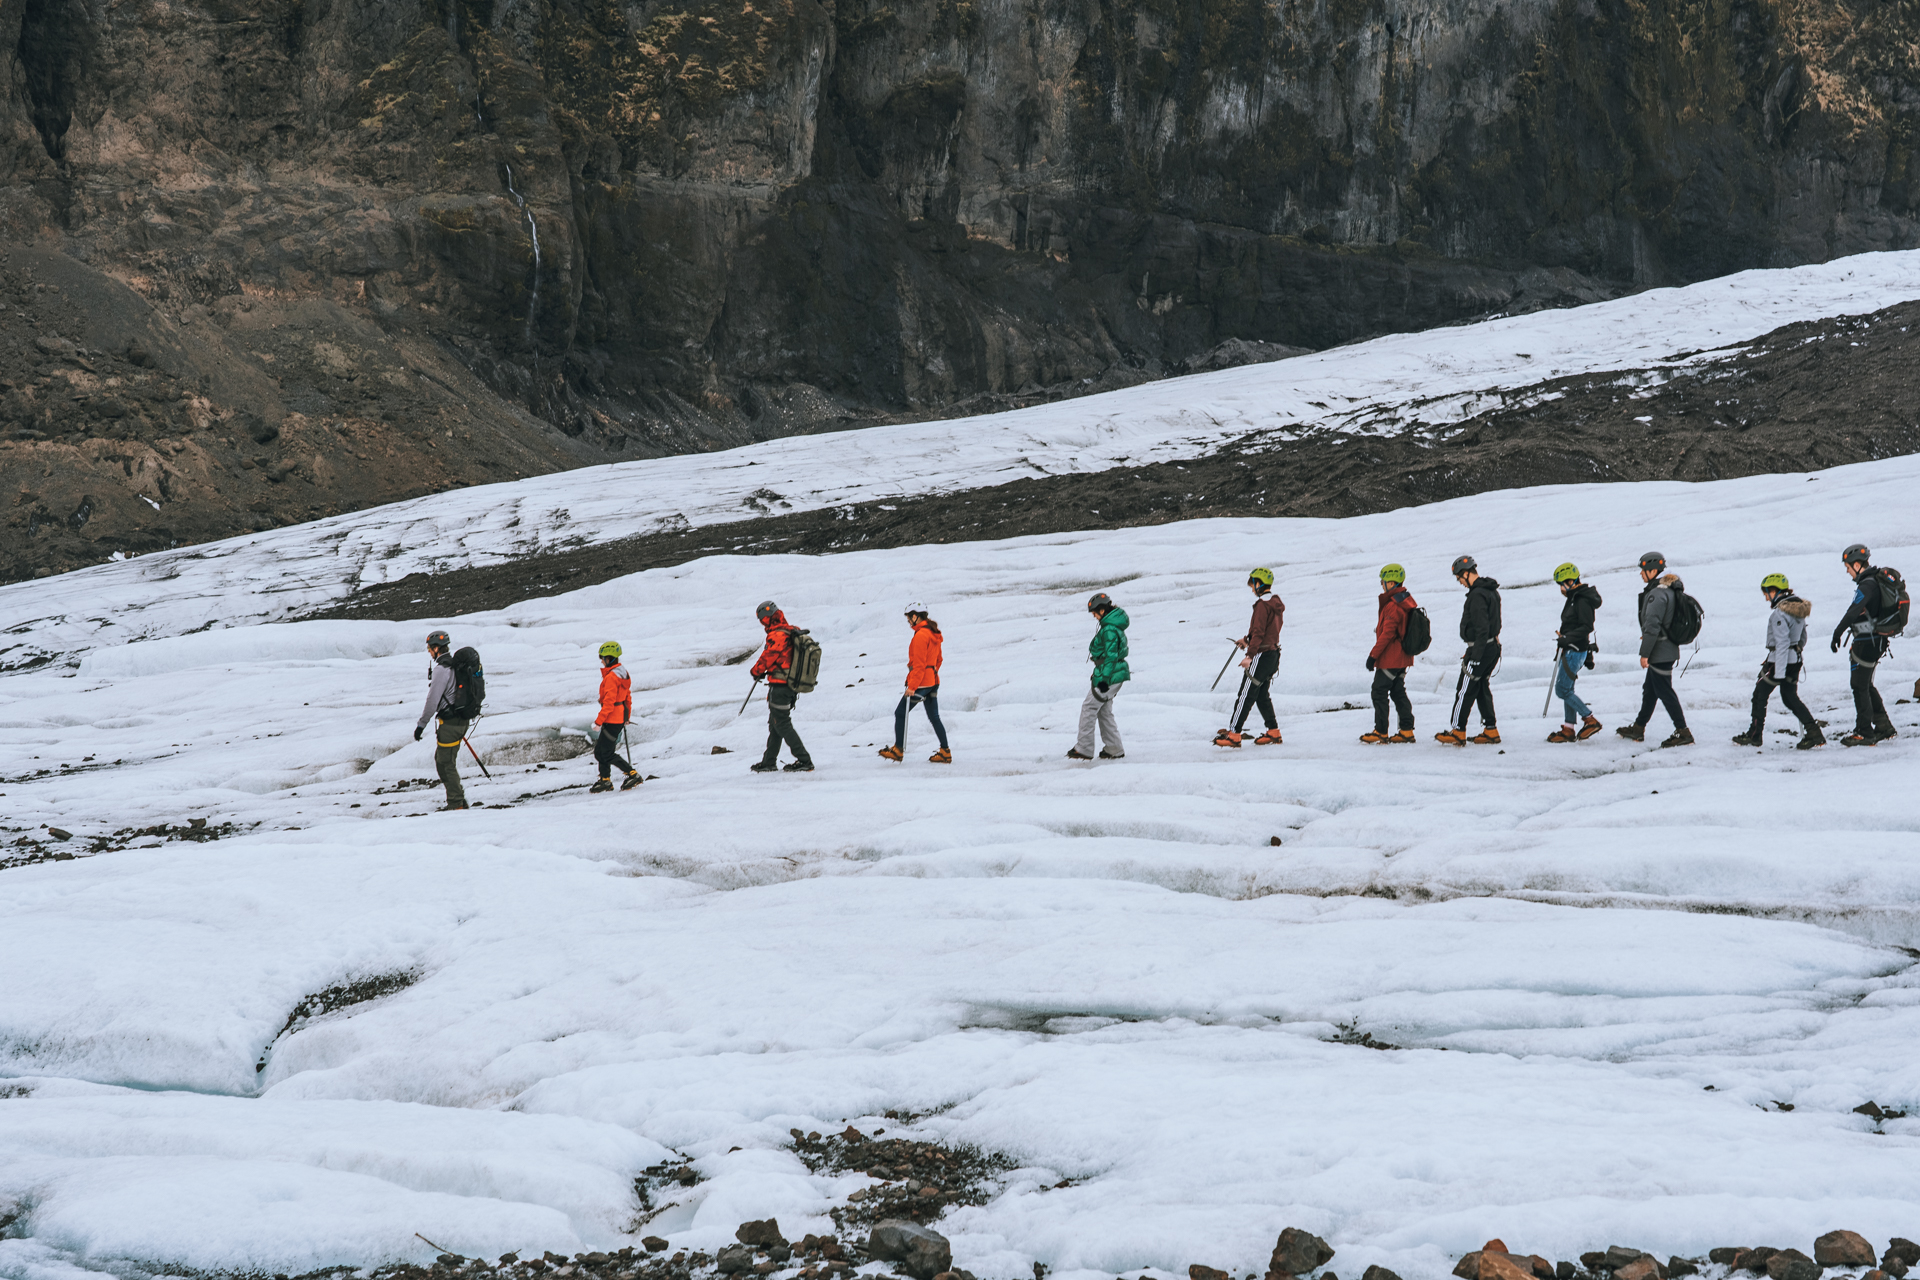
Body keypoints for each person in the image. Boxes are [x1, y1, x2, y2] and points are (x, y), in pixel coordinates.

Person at [1733, 574, 1823, 749]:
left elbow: (1781, 643)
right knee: (1789, 697)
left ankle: (1754, 735)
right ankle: (1814, 733)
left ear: (1774, 591)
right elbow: (1802, 638)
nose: (1766, 597)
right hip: (1795, 660)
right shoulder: (1798, 611)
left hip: (1778, 662)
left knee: (1759, 694)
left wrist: (1779, 672)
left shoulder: (1779, 614)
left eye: (1766, 593)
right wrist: (1795, 654)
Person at [1618, 551, 1692, 746]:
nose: (1641, 574)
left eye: (1643, 570)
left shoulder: (1657, 594)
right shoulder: (1669, 591)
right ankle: (1638, 728)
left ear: (1652, 571)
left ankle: (1683, 731)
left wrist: (1645, 654)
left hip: (1660, 651)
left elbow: (1652, 626)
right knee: (1650, 689)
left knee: (1664, 690)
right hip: (1667, 648)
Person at [1831, 543, 1899, 745]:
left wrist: (1837, 633)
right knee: (1866, 684)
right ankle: (1884, 727)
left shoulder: (1867, 585)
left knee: (1859, 685)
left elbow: (1854, 610)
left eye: (1848, 567)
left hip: (1867, 642)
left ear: (1857, 564)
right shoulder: (1873, 582)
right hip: (1875, 641)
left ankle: (1864, 733)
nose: (1847, 571)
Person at [1435, 555, 1501, 745]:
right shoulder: (1491, 591)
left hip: (1481, 649)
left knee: (1464, 689)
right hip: (1492, 647)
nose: (1460, 583)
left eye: (1459, 578)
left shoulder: (1477, 595)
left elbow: (1482, 628)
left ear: (1465, 573)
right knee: (1481, 687)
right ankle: (1491, 730)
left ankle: (1457, 731)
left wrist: (1475, 656)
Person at [1216, 568, 1284, 747]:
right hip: (1273, 654)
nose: (1252, 589)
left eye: (1252, 585)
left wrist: (1249, 655)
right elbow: (1267, 631)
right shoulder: (1276, 603)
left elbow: (1260, 632)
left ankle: (1234, 734)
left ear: (1259, 584)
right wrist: (1247, 640)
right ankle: (1273, 731)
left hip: (1261, 656)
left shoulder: (1262, 605)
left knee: (1245, 694)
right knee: (1261, 695)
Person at [881, 603, 951, 763]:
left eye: (909, 618)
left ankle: (898, 750)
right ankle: (945, 751)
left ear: (915, 616)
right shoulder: (934, 633)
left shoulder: (920, 636)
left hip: (921, 684)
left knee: (900, 713)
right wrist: (931, 674)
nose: (908, 622)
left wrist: (912, 687)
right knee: (934, 717)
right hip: (933, 681)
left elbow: (918, 665)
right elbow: (938, 660)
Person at [749, 600, 815, 773]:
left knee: (782, 723)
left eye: (762, 619)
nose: (762, 623)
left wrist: (756, 671)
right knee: (775, 723)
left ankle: (804, 760)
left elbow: (769, 655)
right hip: (790, 685)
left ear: (767, 618)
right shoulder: (790, 630)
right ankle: (769, 762)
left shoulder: (778, 635)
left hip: (781, 686)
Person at [1546, 563, 1603, 742]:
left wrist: (1567, 638)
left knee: (1562, 690)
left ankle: (1589, 719)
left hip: (1574, 650)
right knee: (1568, 689)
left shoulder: (1582, 599)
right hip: (1571, 649)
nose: (1561, 589)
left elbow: (1587, 626)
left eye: (1562, 584)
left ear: (1571, 581)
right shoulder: (1574, 597)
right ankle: (1568, 728)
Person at [413, 629, 469, 810]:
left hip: (451, 724)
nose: (429, 652)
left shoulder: (441, 670)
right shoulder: (453, 666)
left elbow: (432, 701)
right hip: (459, 721)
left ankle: (456, 804)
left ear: (437, 648)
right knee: (443, 760)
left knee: (446, 763)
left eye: (430, 648)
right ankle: (459, 800)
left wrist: (421, 725)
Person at [1069, 592, 1128, 760]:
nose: (1094, 616)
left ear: (1102, 610)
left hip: (1110, 676)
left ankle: (1084, 748)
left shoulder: (1109, 629)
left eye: (1094, 612)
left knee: (1089, 707)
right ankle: (1113, 748)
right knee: (1104, 711)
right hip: (1113, 674)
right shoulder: (1111, 626)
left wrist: (1103, 680)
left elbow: (1111, 657)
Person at [1361, 563, 1417, 744]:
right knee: (1398, 691)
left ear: (1391, 582)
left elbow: (1387, 634)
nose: (1382, 584)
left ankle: (1381, 732)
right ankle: (1407, 730)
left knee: (1378, 691)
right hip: (1402, 657)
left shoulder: (1393, 605)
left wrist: (1373, 656)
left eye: (1383, 581)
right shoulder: (1404, 600)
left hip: (1392, 658)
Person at [589, 641, 643, 791]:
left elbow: (609, 702)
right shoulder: (622, 673)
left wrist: (598, 722)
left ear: (609, 658)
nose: (601, 660)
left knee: (605, 752)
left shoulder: (612, 677)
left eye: (603, 658)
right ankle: (605, 779)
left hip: (612, 719)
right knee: (600, 751)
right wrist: (627, 716)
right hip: (617, 718)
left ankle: (632, 775)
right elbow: (627, 697)